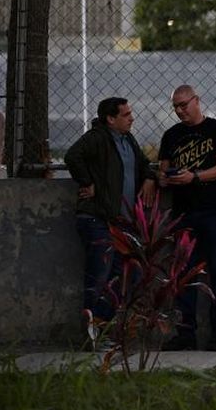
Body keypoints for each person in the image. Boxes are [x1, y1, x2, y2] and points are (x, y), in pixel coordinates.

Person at [63, 97, 156, 347]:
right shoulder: (98, 137)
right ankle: (91, 335)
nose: (131, 118)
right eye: (125, 115)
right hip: (97, 218)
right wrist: (87, 182)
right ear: (110, 119)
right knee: (99, 275)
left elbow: (144, 164)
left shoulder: (128, 139)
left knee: (129, 273)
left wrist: (149, 178)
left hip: (120, 222)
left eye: (130, 113)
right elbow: (72, 156)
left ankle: (100, 325)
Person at [159, 85, 216, 352]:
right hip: (184, 214)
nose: (180, 111)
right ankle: (185, 334)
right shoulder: (171, 135)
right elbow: (163, 171)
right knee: (183, 274)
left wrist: (194, 177)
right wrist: (164, 178)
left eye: (184, 105)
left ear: (196, 101)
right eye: (175, 107)